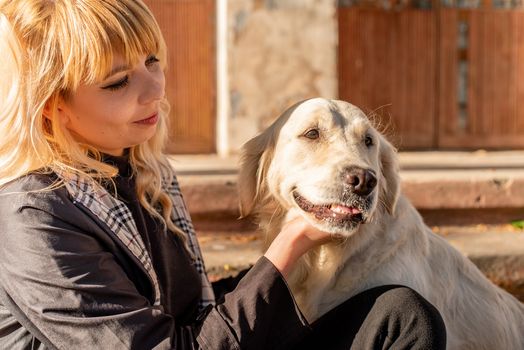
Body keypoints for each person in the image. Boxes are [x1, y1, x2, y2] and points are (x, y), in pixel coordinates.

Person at [0, 1, 446, 349]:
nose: (155, 88)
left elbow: (192, 311)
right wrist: (291, 243)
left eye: (152, 60)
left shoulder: (138, 169)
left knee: (401, 316)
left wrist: (301, 272)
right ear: (52, 108)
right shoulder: (34, 217)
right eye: (118, 82)